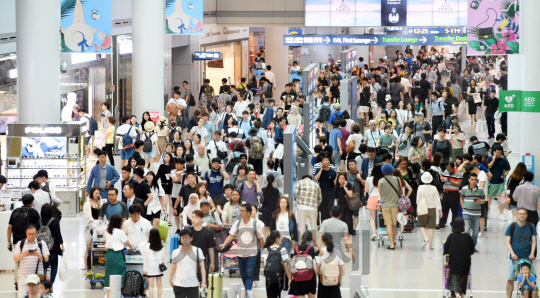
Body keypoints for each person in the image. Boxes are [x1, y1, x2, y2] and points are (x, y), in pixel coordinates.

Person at [219, 203, 265, 296]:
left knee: (249, 274)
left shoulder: (256, 223)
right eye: (240, 210)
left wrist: (265, 249)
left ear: (249, 213)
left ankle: (248, 292)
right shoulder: (237, 223)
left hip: (252, 253)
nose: (240, 212)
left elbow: (261, 238)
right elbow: (231, 235)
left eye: (242, 211)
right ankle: (248, 293)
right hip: (240, 253)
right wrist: (224, 243)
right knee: (243, 275)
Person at [506, 208, 537, 298]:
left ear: (527, 215)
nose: (522, 215)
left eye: (524, 214)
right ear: (517, 215)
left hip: (527, 259)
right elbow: (508, 241)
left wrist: (532, 253)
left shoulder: (531, 226)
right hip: (514, 258)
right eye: (520, 213)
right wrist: (512, 253)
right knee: (510, 280)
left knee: (530, 280)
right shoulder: (512, 226)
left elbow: (534, 241)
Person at [13, 225, 50, 298]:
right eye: (29, 234)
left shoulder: (41, 243)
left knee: (37, 296)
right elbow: (15, 258)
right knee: (21, 296)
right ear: (26, 233)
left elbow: (46, 259)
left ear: (36, 233)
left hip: (38, 276)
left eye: (33, 234)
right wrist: (23, 254)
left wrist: (37, 254)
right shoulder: (20, 243)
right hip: (23, 276)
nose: (31, 236)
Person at [443, 217, 475, 298]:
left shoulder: (451, 236)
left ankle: (456, 294)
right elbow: (472, 249)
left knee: (453, 277)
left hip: (454, 262)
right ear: (463, 226)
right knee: (463, 279)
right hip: (465, 262)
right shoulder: (467, 236)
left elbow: (446, 248)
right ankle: (462, 295)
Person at [170, 229, 207, 298]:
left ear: (191, 238)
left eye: (186, 237)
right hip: (179, 284)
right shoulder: (175, 252)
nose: (184, 239)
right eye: (182, 238)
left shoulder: (198, 251)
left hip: (193, 284)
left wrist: (204, 281)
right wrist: (170, 279)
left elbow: (202, 267)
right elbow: (173, 267)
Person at [104, 214, 134, 288]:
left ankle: (109, 294)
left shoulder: (107, 231)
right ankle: (117, 292)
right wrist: (132, 248)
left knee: (109, 275)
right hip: (117, 255)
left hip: (109, 255)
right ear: (118, 223)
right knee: (119, 273)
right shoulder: (120, 232)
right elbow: (127, 242)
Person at [378, 163, 403, 250]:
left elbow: (380, 194)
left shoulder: (380, 181)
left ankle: (391, 244)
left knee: (388, 224)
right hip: (395, 205)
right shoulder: (397, 179)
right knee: (394, 224)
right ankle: (393, 242)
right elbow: (400, 192)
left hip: (385, 205)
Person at [38, 204, 64, 283]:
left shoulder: (38, 221)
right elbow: (58, 234)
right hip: (53, 246)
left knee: (43, 266)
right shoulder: (55, 221)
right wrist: (62, 245)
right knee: (54, 265)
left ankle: (44, 281)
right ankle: (51, 283)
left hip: (42, 246)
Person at [416, 172, 442, 249]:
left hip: (423, 208)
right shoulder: (434, 188)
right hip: (432, 209)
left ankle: (425, 238)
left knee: (421, 225)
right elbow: (438, 200)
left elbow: (418, 200)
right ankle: (430, 245)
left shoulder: (420, 187)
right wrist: (440, 210)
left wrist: (418, 208)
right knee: (431, 228)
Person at [263, 231, 291, 298]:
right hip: (280, 279)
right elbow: (285, 265)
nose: (281, 239)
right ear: (277, 239)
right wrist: (289, 278)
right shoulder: (283, 250)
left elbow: (264, 266)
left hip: (269, 279)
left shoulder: (265, 250)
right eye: (280, 237)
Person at [315, 233, 344, 298]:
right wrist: (340, 280)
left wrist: (313, 278)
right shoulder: (337, 252)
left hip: (323, 280)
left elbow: (317, 266)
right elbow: (341, 268)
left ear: (323, 241)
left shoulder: (321, 252)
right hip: (334, 279)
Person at [460, 173, 485, 249]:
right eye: (472, 179)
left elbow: (483, 200)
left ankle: (472, 247)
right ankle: (465, 246)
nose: (474, 181)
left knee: (475, 232)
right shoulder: (464, 188)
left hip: (476, 213)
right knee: (467, 230)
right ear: (469, 180)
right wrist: (463, 207)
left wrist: (479, 201)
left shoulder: (480, 190)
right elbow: (461, 198)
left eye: (475, 179)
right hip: (466, 212)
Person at [189, 209, 216, 276]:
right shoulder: (188, 232)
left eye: (196, 217)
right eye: (192, 217)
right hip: (190, 261)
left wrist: (212, 262)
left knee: (203, 281)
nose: (193, 219)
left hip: (203, 261)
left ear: (201, 219)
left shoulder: (208, 232)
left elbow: (210, 248)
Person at [139, 229, 165, 298]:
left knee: (151, 285)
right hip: (159, 268)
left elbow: (145, 259)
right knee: (159, 285)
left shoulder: (147, 246)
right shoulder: (161, 246)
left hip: (150, 267)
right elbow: (163, 258)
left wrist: (145, 269)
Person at [487, 148, 511, 221]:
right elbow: (487, 167)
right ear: (494, 152)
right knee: (489, 198)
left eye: (500, 153)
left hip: (500, 182)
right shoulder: (489, 159)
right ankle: (487, 212)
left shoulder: (503, 161)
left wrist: (504, 175)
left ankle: (501, 214)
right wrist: (493, 160)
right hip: (491, 182)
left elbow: (507, 170)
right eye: (497, 153)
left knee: (501, 199)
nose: (499, 154)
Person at [314, 156, 337, 223]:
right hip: (321, 195)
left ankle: (329, 226)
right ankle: (323, 227)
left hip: (331, 195)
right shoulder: (318, 170)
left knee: (330, 212)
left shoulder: (332, 171)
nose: (325, 162)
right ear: (322, 162)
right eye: (324, 160)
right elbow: (315, 179)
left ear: (329, 162)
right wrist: (321, 170)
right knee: (323, 212)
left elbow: (335, 183)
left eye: (327, 160)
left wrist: (338, 174)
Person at [439, 162, 463, 229]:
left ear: (453, 167)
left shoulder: (458, 173)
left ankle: (454, 224)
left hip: (454, 193)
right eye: (447, 169)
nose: (448, 170)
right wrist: (442, 179)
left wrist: (451, 181)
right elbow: (441, 176)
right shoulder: (445, 171)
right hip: (446, 192)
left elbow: (459, 183)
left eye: (450, 169)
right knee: (444, 208)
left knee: (454, 210)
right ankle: (442, 223)